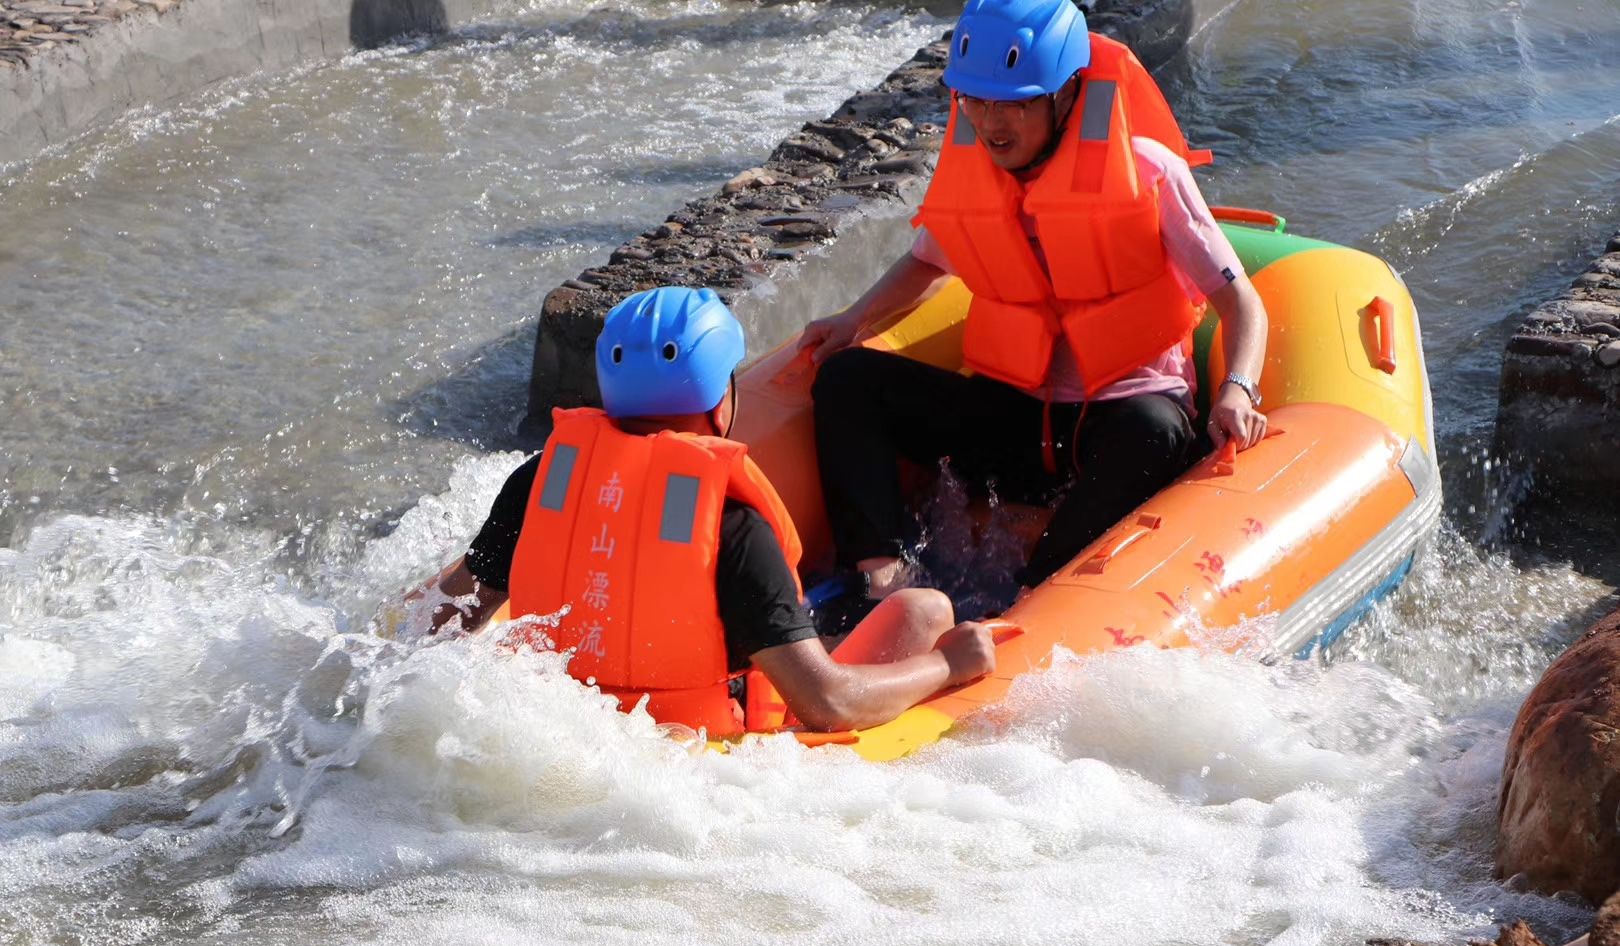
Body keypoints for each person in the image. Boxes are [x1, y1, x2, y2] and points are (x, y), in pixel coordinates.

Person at [801, 0, 1270, 601]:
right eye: (975, 101)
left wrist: (1240, 388)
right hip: (1015, 416)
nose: (992, 123)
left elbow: (1241, 304)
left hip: (1122, 419)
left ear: (1069, 93)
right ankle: (883, 583)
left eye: (1016, 103)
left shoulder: (1151, 170)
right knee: (846, 380)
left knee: (1154, 431)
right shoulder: (979, 173)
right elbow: (926, 262)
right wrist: (853, 319)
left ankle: (1033, 596)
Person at [407, 286, 996, 736]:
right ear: (722, 403)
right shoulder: (731, 525)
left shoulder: (541, 481)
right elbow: (826, 703)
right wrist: (948, 667)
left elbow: (442, 617)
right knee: (924, 609)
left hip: (564, 730)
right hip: (706, 755)